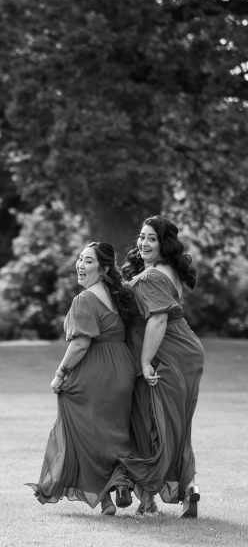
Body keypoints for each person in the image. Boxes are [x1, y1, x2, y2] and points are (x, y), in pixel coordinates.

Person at [27, 242, 140, 515]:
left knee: (84, 432)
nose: (80, 265)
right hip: (122, 370)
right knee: (115, 430)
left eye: (88, 261)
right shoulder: (118, 296)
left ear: (103, 269)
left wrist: (60, 374)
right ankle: (122, 480)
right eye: (79, 259)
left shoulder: (85, 299)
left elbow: (80, 344)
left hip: (96, 372)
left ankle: (106, 501)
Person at [116, 216, 204, 518]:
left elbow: (158, 319)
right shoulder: (163, 270)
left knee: (153, 422)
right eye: (141, 237)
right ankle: (187, 489)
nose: (143, 243)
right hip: (183, 351)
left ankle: (152, 498)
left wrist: (144, 360)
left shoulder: (153, 276)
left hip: (167, 354)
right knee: (173, 424)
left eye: (151, 238)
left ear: (164, 243)